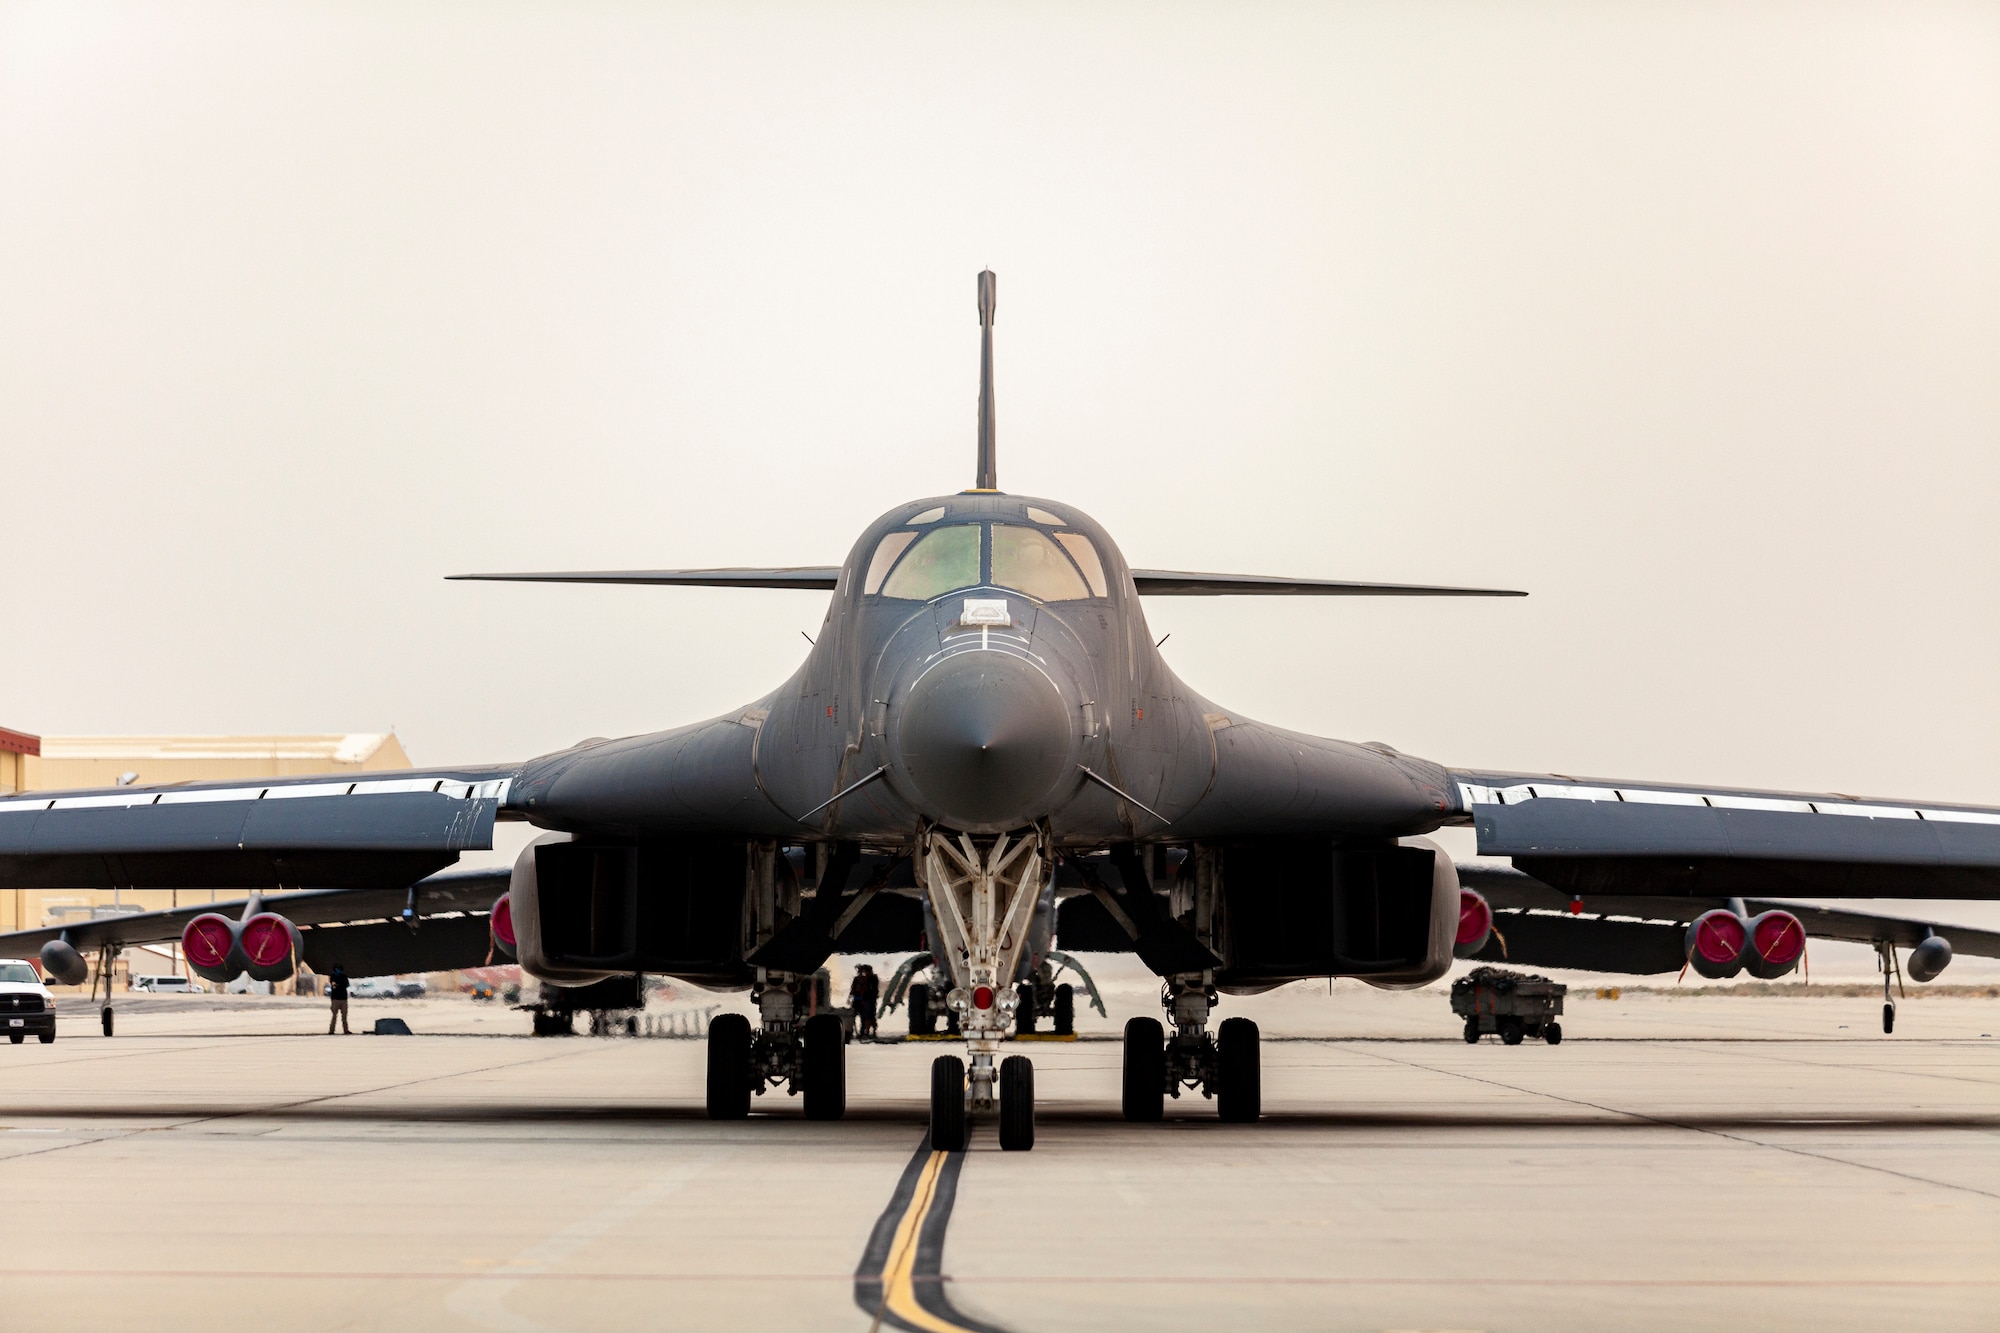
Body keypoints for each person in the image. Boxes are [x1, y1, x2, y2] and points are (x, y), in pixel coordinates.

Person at [849, 964, 879, 1040]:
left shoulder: (872, 978)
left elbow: (873, 990)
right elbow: (853, 989)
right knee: (853, 1016)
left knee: (867, 1017)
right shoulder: (857, 979)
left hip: (868, 1000)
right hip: (858, 1000)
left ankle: (866, 1032)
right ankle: (853, 1031)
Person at [326, 963, 350, 1035]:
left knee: (344, 1017)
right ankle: (331, 1030)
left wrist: (339, 985)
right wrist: (340, 985)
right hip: (335, 999)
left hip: (343, 998)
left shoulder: (343, 976)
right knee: (334, 1016)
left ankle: (346, 1030)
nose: (338, 970)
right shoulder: (333, 977)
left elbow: (346, 985)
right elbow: (334, 986)